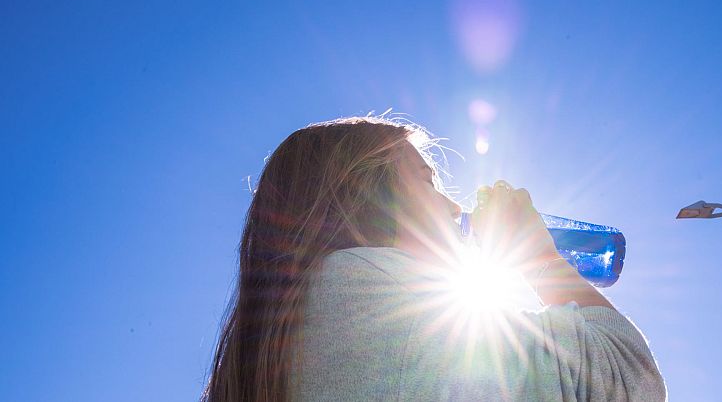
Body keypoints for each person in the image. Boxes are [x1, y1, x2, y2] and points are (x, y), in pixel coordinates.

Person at [201, 116, 667, 401]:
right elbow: (627, 384)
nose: (452, 205)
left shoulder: (300, 326)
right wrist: (536, 256)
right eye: (427, 180)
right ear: (367, 193)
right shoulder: (368, 290)